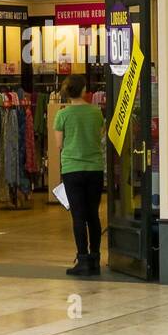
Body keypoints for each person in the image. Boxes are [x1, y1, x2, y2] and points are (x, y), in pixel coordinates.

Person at [53, 74, 105, 276]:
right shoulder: (96, 112)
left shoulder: (62, 115)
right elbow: (99, 135)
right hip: (94, 168)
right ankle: (95, 258)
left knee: (78, 216)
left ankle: (82, 259)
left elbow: (59, 145)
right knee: (93, 214)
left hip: (72, 169)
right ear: (84, 90)